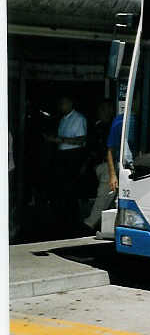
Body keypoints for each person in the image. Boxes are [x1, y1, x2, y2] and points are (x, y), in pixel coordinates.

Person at [44, 96, 88, 235]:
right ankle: (63, 221)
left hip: (73, 156)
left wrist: (59, 140)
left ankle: (72, 223)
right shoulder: (63, 119)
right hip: (62, 156)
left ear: (70, 103)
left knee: (71, 190)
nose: (60, 106)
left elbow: (81, 140)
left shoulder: (79, 119)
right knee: (62, 189)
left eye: (62, 103)